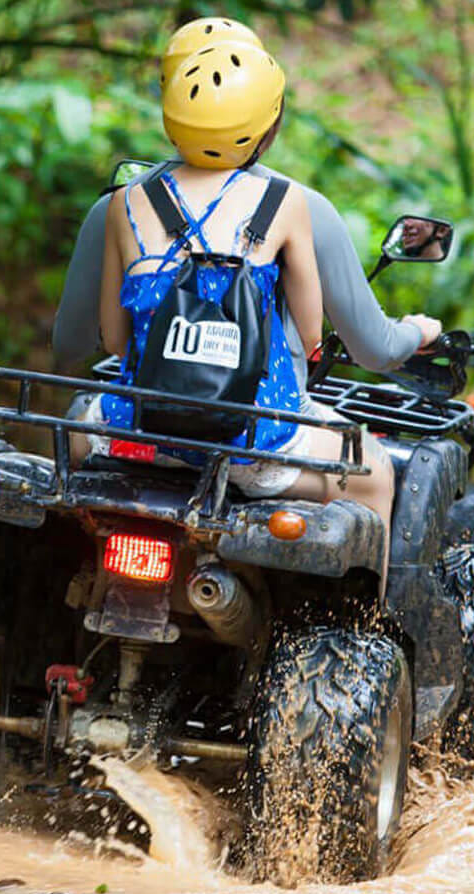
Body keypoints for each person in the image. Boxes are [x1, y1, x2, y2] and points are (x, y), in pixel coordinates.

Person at [75, 37, 408, 580]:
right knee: (374, 472)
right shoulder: (285, 202)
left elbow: (114, 340)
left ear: (171, 119)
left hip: (137, 428)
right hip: (253, 441)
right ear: (267, 124)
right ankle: (364, 621)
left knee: (76, 432)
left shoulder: (124, 202)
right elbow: (310, 334)